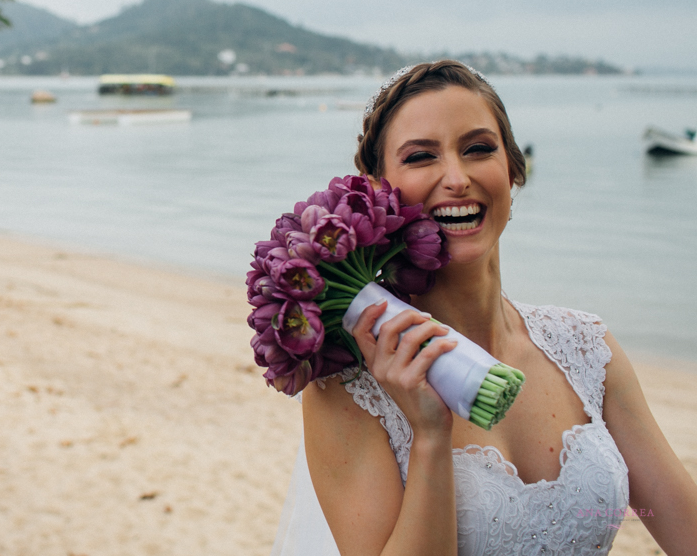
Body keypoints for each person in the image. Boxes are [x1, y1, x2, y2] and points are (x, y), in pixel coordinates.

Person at [273, 60, 697, 556]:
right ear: (376, 192)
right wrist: (430, 436)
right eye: (421, 156)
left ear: (513, 171)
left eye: (478, 149)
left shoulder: (587, 350)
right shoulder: (348, 388)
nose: (457, 178)